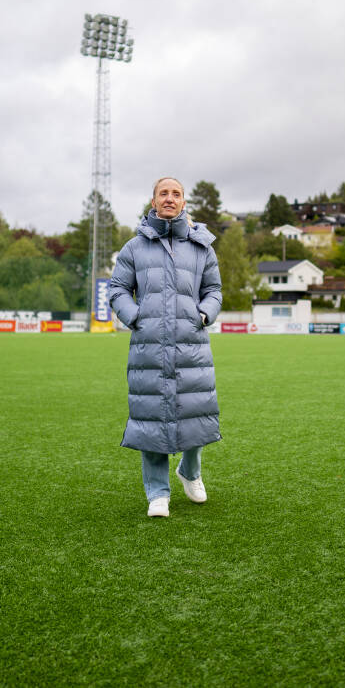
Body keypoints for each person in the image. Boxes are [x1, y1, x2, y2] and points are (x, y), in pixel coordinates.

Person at [108, 177, 223, 518]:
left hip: (192, 343)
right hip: (149, 346)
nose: (170, 198)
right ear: (154, 201)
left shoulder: (203, 247)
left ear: (184, 202)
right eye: (164, 193)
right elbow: (117, 289)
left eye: (176, 194)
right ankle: (157, 492)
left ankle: (190, 470)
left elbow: (214, 290)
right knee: (151, 415)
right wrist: (136, 317)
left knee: (196, 409)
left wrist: (204, 314)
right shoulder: (134, 248)